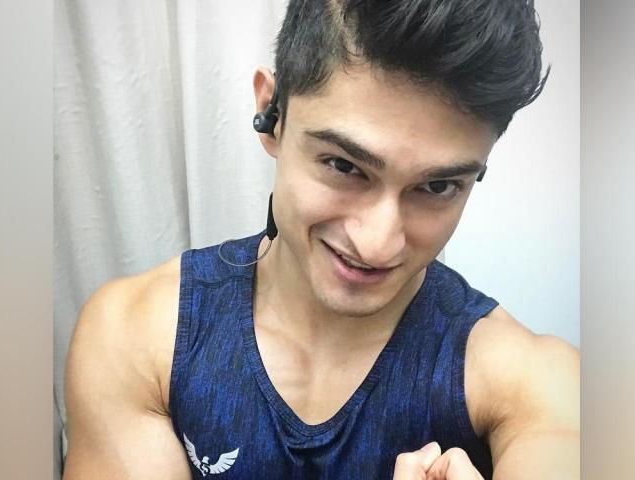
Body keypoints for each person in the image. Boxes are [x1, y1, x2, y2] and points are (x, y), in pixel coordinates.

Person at [63, 1, 579, 479]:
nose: (378, 244)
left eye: (438, 186)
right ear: (271, 116)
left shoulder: (533, 381)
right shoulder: (136, 338)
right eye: (344, 165)